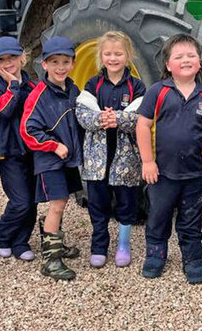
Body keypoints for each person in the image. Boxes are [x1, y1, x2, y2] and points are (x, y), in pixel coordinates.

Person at [136, 33, 202, 284]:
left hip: (195, 176)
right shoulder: (157, 92)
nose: (186, 60)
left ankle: (193, 259)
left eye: (191, 55)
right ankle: (155, 255)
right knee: (158, 216)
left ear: (199, 62)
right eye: (179, 56)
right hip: (162, 174)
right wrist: (148, 162)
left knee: (191, 220)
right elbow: (143, 126)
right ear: (168, 65)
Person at [76, 31, 146, 268]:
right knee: (98, 202)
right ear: (101, 56)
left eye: (118, 53)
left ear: (128, 55)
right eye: (108, 53)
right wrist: (102, 120)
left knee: (127, 201)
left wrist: (117, 119)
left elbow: (141, 116)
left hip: (126, 157)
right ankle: (99, 246)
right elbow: (83, 113)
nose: (113, 58)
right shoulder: (93, 84)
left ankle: (124, 245)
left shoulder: (136, 86)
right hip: (97, 158)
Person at [20, 36, 83, 281]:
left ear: (72, 63)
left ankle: (56, 243)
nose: (60, 67)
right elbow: (27, 129)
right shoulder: (38, 94)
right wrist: (53, 145)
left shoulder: (72, 89)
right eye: (54, 61)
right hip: (51, 159)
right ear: (44, 65)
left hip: (67, 159)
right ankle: (51, 260)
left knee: (62, 202)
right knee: (57, 203)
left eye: (65, 61)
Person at [0, 36, 38, 262]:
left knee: (32, 201)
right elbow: (3, 110)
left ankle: (21, 241)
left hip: (32, 151)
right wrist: (13, 85)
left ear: (23, 57)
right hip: (9, 152)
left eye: (12, 57)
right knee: (20, 201)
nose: (8, 63)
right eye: (1, 60)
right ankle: (2, 236)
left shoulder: (33, 84)